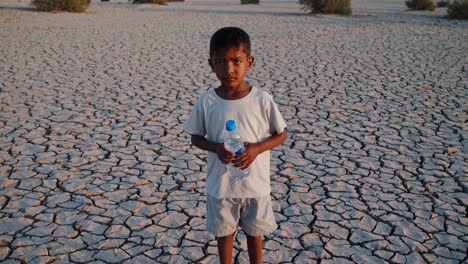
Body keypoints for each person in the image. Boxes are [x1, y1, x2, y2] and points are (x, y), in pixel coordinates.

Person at [184, 27, 287, 264]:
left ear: (249, 62)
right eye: (220, 62)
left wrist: (256, 149)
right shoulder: (207, 101)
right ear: (211, 64)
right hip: (221, 186)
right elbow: (196, 137)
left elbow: (281, 134)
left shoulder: (262, 99)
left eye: (236, 61)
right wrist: (216, 148)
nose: (228, 69)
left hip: (255, 185)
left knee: (255, 233)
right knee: (224, 233)